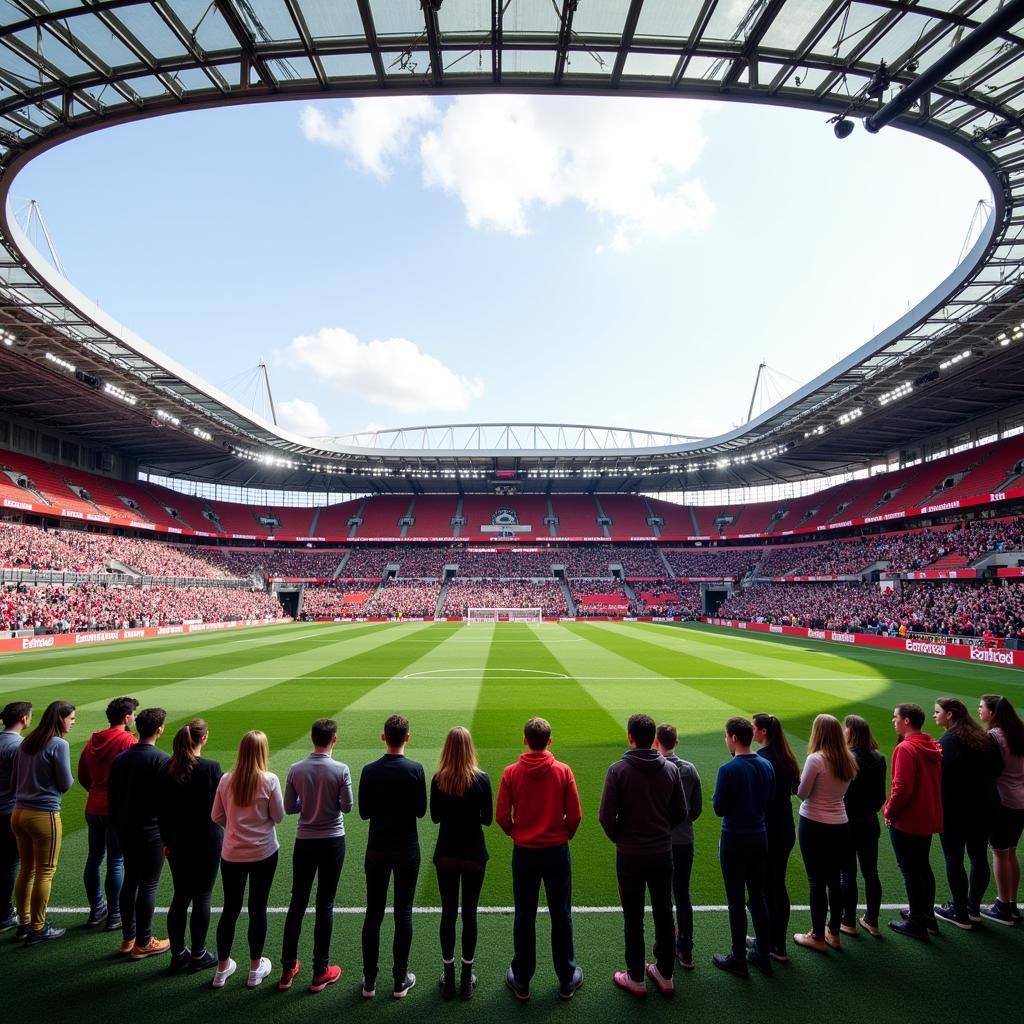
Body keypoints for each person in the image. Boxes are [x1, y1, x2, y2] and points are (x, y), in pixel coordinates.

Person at [497, 716, 583, 1001]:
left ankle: (522, 979)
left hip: (524, 852)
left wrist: (517, 833)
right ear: (550, 740)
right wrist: (563, 834)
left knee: (524, 915)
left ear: (525, 740)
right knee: (561, 915)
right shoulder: (563, 770)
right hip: (556, 851)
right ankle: (566, 978)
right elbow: (576, 815)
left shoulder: (511, 772)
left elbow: (501, 816)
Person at [600, 713, 685, 997]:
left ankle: (636, 977)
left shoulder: (618, 770)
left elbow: (604, 817)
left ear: (630, 737)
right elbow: (681, 813)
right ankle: (665, 973)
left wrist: (622, 839)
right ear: (654, 739)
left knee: (633, 916)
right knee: (664, 911)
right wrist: (661, 833)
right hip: (662, 852)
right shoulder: (671, 770)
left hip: (630, 855)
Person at [279, 718, 352, 994]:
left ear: (313, 739)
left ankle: (287, 968)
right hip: (333, 840)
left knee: (297, 901)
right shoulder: (341, 769)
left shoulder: (296, 769)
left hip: (305, 841)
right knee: (325, 903)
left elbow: (288, 807)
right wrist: (328, 801)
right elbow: (347, 806)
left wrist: (307, 803)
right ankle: (320, 970)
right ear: (334, 739)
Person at [358, 714, 426, 999]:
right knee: (403, 912)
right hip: (406, 848)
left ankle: (370, 981)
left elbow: (363, 813)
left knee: (374, 913)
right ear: (407, 737)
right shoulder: (415, 769)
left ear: (383, 736)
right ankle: (400, 979)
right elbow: (421, 811)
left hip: (377, 848)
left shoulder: (369, 770)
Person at [211, 730, 284, 989]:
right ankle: (255, 969)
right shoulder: (269, 780)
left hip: (232, 853)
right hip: (263, 851)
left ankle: (221, 970)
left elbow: (216, 816)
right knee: (257, 908)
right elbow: (278, 816)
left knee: (230, 909)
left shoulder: (226, 780)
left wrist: (234, 829)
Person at [430, 726, 492, 1001]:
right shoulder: (482, 780)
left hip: (446, 852)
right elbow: (487, 818)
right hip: (473, 853)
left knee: (448, 914)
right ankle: (466, 981)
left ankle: (449, 979)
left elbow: (434, 817)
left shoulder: (438, 780)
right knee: (469, 914)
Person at [156, 718, 223, 973]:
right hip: (206, 840)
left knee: (181, 896)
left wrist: (165, 840)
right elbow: (219, 809)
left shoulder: (165, 768)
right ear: (203, 738)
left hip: (176, 842)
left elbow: (159, 809)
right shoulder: (210, 768)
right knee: (202, 896)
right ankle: (198, 954)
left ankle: (178, 954)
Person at [711, 716, 774, 977]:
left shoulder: (729, 769)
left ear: (734, 738)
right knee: (757, 897)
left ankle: (738, 957)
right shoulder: (767, 765)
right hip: (759, 837)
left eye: (726, 736)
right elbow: (768, 802)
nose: (726, 740)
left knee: (736, 900)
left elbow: (718, 808)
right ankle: (763, 954)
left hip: (735, 838)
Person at [11, 699, 75, 943]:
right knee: (45, 871)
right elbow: (66, 783)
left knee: (26, 870)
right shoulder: (58, 744)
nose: (72, 723)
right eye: (70, 719)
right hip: (43, 814)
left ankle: (24, 922)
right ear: (60, 719)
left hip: (18, 813)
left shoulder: (26, 741)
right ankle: (38, 927)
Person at [934, 697, 1001, 928]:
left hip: (957, 809)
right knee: (978, 857)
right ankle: (973, 909)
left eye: (937, 712)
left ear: (949, 715)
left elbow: (941, 777)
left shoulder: (949, 740)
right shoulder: (982, 737)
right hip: (985, 807)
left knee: (954, 858)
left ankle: (960, 912)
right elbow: (998, 767)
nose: (935, 716)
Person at [108, 706, 170, 960]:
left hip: (125, 828)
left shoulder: (120, 759)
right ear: (159, 730)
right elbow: (166, 801)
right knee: (148, 883)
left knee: (131, 879)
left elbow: (112, 798)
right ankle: (144, 942)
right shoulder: (162, 759)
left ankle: (128, 938)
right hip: (150, 831)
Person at [793, 714, 857, 953]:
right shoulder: (847, 759)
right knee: (834, 879)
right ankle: (833, 931)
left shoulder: (816, 759)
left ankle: (818, 935)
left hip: (815, 824)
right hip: (840, 824)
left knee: (816, 881)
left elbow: (802, 793)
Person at [78, 695, 138, 930]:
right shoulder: (127, 741)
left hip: (93, 806)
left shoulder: (93, 740)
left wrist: (95, 792)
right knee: (116, 861)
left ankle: (96, 910)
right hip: (115, 809)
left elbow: (83, 773)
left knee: (94, 858)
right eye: (132, 714)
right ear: (126, 717)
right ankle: (114, 914)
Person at [884, 703, 943, 939]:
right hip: (926, 816)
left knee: (911, 871)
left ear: (906, 721)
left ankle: (917, 922)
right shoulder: (929, 744)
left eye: (895, 717)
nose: (893, 721)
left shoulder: (906, 749)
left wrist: (889, 810)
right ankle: (927, 917)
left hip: (908, 820)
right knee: (922, 867)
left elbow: (902, 789)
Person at [653, 722, 702, 970]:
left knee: (663, 897)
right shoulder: (690, 770)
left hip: (662, 843)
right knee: (682, 894)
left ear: (656, 741)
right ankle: (685, 950)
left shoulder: (657, 769)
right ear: (677, 741)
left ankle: (664, 948)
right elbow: (696, 809)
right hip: (685, 840)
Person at [752, 712, 799, 961]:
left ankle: (773, 943)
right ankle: (772, 939)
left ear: (763, 732)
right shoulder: (786, 757)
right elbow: (795, 789)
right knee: (776, 885)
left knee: (767, 888)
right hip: (785, 828)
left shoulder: (762, 759)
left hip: (769, 830)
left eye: (754, 727)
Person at [979, 694, 1024, 924]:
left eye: (982, 707)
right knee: (1011, 852)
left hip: (1003, 801)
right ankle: (1012, 903)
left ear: (992, 713)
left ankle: (1002, 905)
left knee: (999, 852)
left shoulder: (994, 737)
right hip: (1020, 801)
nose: (979, 711)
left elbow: (990, 771)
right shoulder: (1020, 734)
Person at [840, 714, 886, 937]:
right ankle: (872, 920)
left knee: (847, 873)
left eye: (845, 728)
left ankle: (848, 921)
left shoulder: (847, 757)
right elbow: (880, 798)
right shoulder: (878, 758)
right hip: (869, 821)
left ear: (851, 731)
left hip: (848, 822)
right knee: (871, 872)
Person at [0, 701, 32, 934]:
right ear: (23, 719)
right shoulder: (19, 746)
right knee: (10, 863)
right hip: (8, 810)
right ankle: (4, 914)